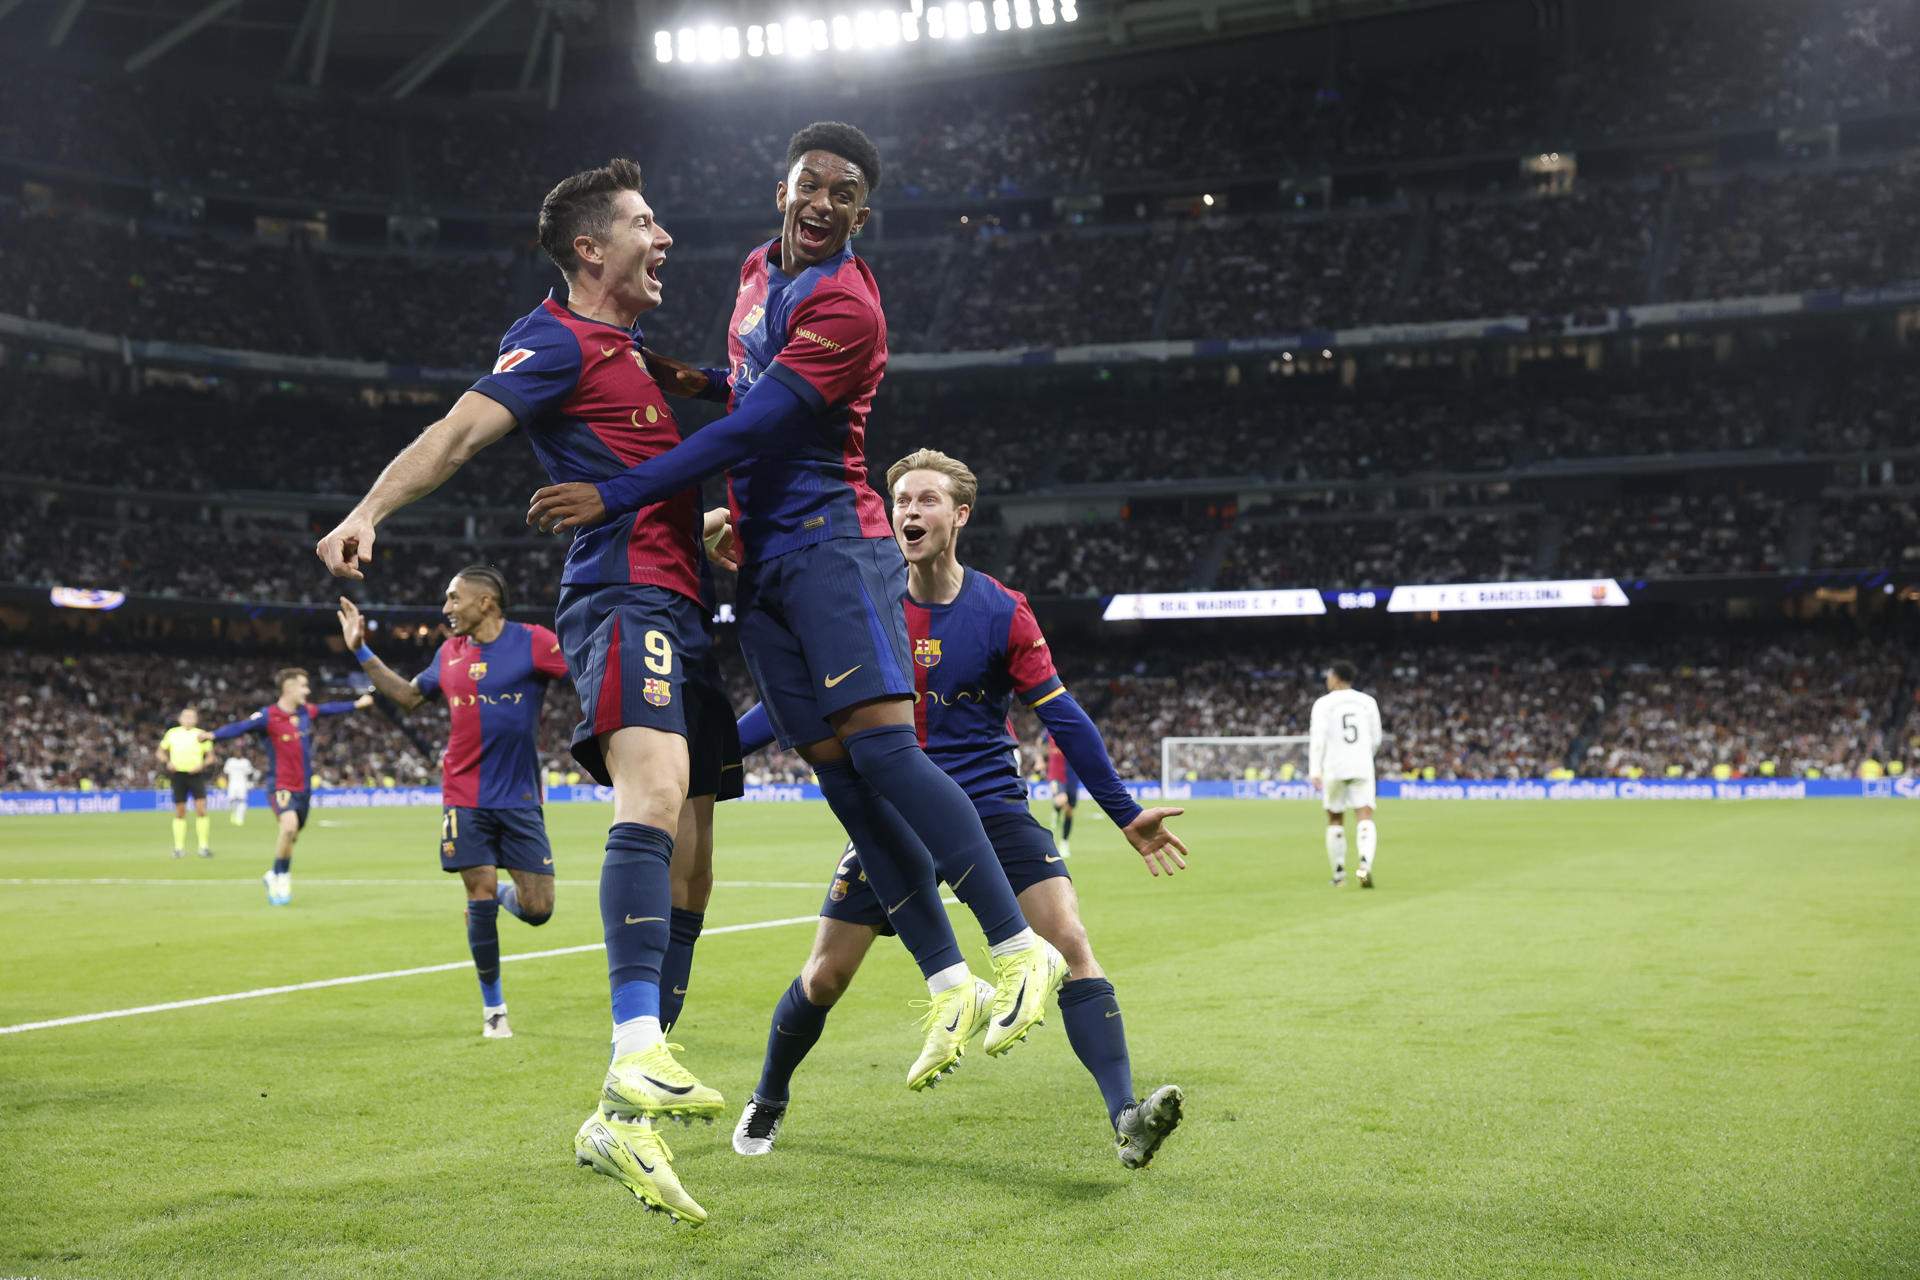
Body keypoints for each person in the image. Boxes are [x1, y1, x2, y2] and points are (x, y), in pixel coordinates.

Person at [526, 123, 1065, 1099]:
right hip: (762, 564)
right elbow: (739, 386)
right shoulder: (751, 270)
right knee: (846, 786)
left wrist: (618, 491)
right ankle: (948, 979)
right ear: (784, 186)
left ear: (863, 213)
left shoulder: (849, 304)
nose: (823, 202)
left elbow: (757, 424)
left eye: (844, 194)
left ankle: (1020, 945)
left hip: (829, 543)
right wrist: (676, 378)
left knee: (890, 754)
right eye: (811, 183)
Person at [313, 158, 734, 1226]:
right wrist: (370, 509)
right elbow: (458, 433)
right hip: (623, 591)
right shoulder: (551, 338)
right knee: (653, 790)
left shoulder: (632, 349)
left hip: (687, 605)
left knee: (695, 855)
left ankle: (621, 1116)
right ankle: (637, 1045)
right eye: (646, 222)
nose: (666, 236)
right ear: (591, 248)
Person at [730, 449, 1189, 1170]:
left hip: (994, 806)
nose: (908, 512)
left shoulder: (1001, 609)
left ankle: (1125, 1115)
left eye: (926, 500)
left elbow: (1063, 716)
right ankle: (769, 1096)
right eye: (899, 500)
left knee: (1070, 944)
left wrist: (1123, 810)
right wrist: (709, 755)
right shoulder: (862, 601)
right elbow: (787, 706)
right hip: (895, 812)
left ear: (960, 515)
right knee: (824, 977)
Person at [338, 568, 568, 1040]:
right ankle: (494, 1010)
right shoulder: (449, 652)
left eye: (453, 598)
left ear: (486, 602)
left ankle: (506, 898)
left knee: (538, 908)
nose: (446, 608)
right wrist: (361, 649)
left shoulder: (534, 642)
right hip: (464, 796)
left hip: (520, 797)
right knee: (477, 892)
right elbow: (406, 696)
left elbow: (586, 675)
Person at [209, 671, 371, 904]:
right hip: (281, 785)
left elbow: (328, 709)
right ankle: (282, 877)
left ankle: (274, 873)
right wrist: (213, 735)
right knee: (288, 827)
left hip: (303, 787)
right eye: (304, 687)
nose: (307, 691)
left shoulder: (305, 712)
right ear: (289, 688)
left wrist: (356, 704)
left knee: (292, 835)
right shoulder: (268, 716)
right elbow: (240, 727)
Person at [1309, 660, 1383, 888]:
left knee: (1335, 818)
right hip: (1361, 765)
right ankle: (1365, 865)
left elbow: (1318, 738)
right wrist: (1364, 757)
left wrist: (1315, 769)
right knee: (1364, 815)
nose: (1327, 679)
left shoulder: (1323, 704)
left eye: (1329, 675)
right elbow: (1376, 738)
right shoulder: (1367, 702)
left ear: (1337, 678)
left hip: (1334, 766)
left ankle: (1339, 874)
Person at [156, 708, 215, 859]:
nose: (188, 719)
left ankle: (203, 847)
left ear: (196, 719)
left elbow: (210, 757)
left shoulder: (201, 734)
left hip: (196, 774)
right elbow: (160, 752)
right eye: (186, 716)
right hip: (178, 775)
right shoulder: (172, 733)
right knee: (180, 811)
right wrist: (168, 762)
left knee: (201, 809)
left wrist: (201, 765)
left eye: (191, 716)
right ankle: (179, 848)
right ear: (180, 719)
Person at [1046, 732, 1079, 858]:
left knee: (1069, 811)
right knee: (1061, 799)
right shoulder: (1049, 731)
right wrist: (1040, 759)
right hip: (1056, 774)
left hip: (1072, 777)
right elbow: (1040, 742)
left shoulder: (1075, 731)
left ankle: (1064, 843)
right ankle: (1056, 809)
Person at [222, 754, 258, 827]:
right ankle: (233, 813)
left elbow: (250, 773)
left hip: (242, 784)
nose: (238, 752)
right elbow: (225, 772)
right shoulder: (230, 761)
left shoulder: (245, 762)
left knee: (242, 801)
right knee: (231, 800)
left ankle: (240, 818)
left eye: (239, 750)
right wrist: (226, 783)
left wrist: (250, 783)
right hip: (232, 784)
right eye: (236, 750)